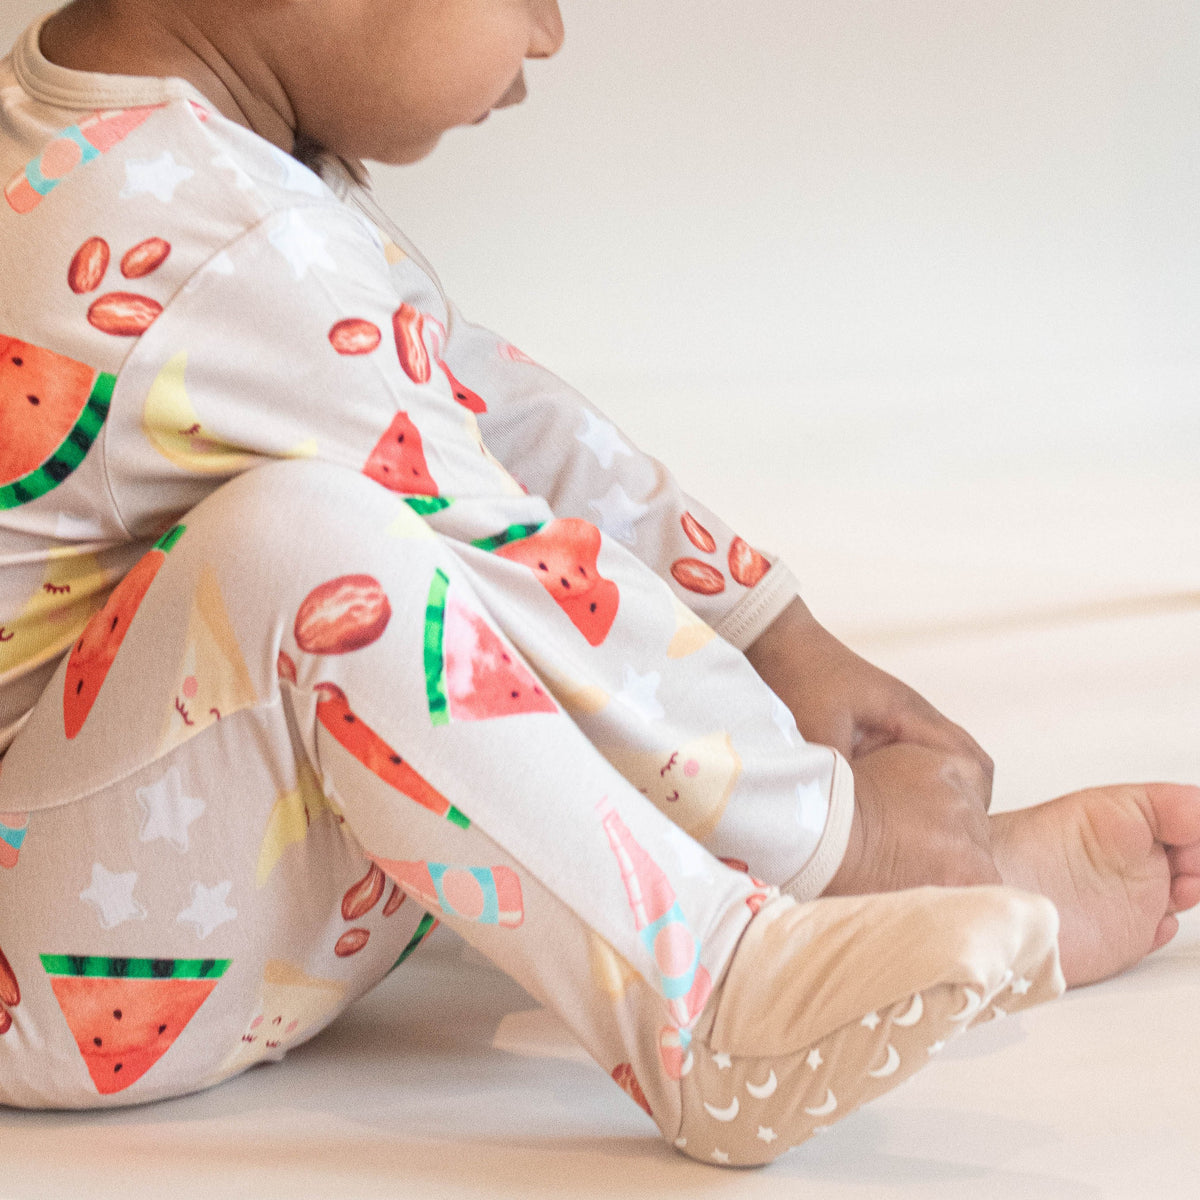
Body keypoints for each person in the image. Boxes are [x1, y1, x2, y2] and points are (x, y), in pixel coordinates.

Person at [0, 0, 1196, 1166]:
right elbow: (514, 561)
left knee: (400, 525)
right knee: (311, 545)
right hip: (53, 962)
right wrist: (834, 824)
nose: (547, 37)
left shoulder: (176, 149)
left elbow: (499, 415)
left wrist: (772, 629)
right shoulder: (220, 247)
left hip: (157, 872)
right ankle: (718, 996)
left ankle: (861, 901)